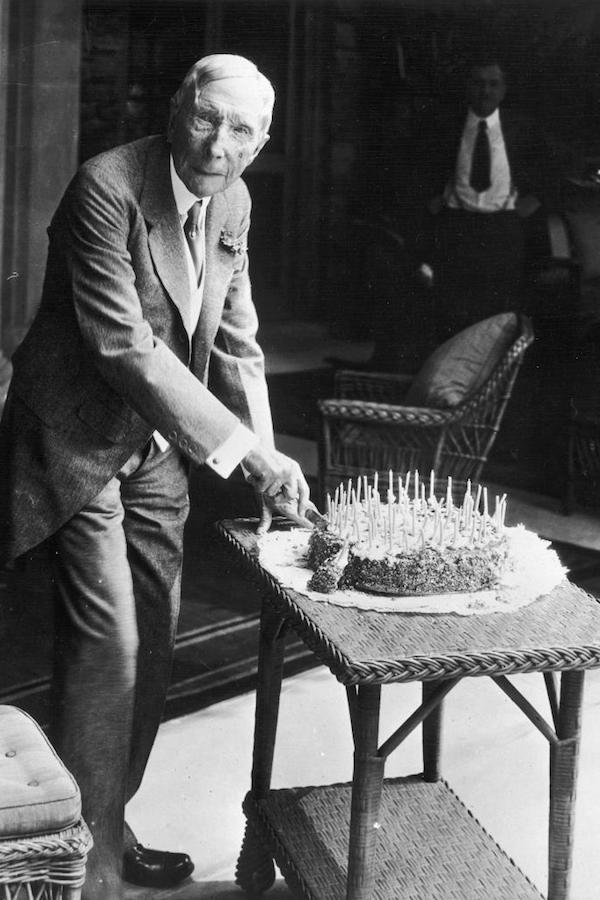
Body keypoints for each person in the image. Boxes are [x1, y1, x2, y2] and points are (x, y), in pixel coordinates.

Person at [0, 54, 312, 899]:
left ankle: (106, 821)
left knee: (156, 646)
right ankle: (88, 869)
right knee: (110, 647)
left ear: (263, 140)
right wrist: (243, 451)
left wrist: (268, 462)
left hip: (159, 446)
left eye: (242, 129)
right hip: (75, 436)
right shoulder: (105, 185)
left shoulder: (235, 200)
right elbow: (121, 345)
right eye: (206, 118)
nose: (219, 143)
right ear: (178, 110)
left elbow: (239, 341)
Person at [414, 49, 570, 341]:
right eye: (478, 82)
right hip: (457, 226)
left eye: (493, 83)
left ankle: (493, 381)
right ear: (467, 86)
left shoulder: (522, 128)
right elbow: (415, 164)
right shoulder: (445, 125)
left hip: (503, 228)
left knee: (499, 311)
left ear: (503, 89)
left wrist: (535, 200)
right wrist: (430, 198)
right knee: (451, 308)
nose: (485, 90)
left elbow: (559, 164)